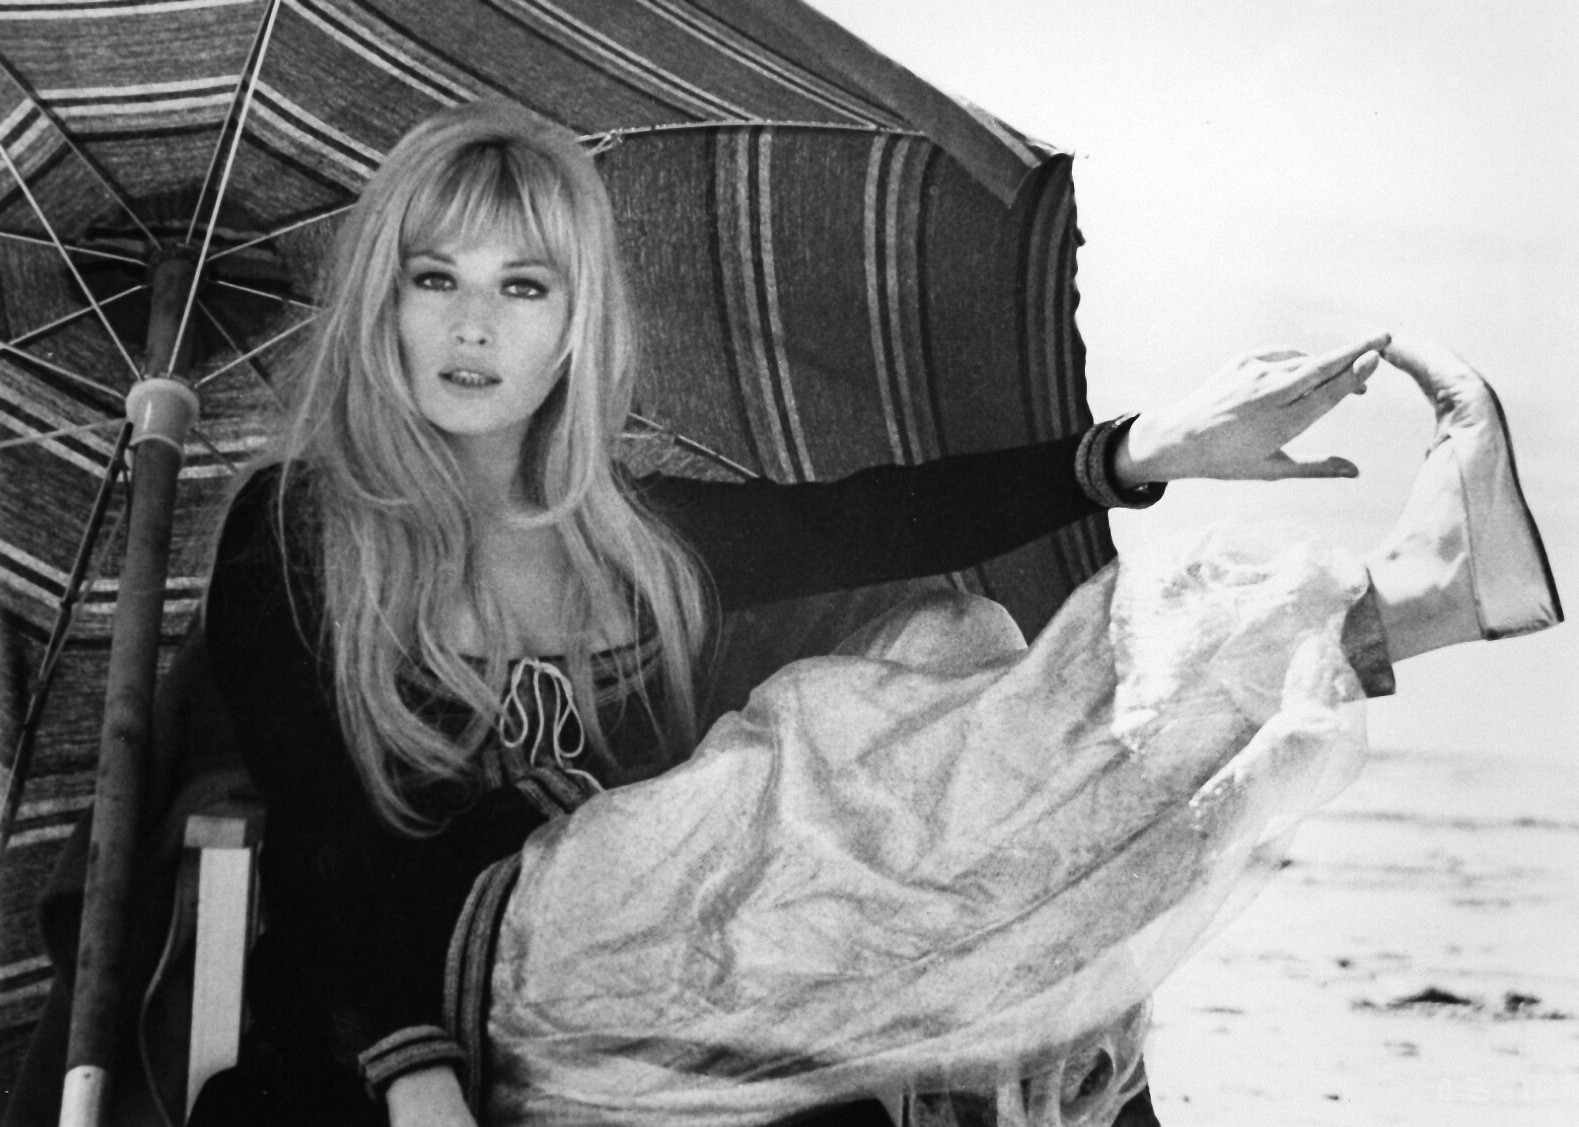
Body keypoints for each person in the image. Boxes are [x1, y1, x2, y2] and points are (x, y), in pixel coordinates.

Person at [194, 100, 1560, 1127]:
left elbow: (877, 516)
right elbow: (323, 837)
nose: (472, 327)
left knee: (942, 666)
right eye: (434, 278)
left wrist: (1144, 449)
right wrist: (416, 1078)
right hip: (480, 981)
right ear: (383, 302)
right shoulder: (306, 529)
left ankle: (1396, 610)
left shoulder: (633, 536)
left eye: (522, 286)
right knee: (880, 789)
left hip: (675, 995)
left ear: (574, 325)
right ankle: (1399, 608)